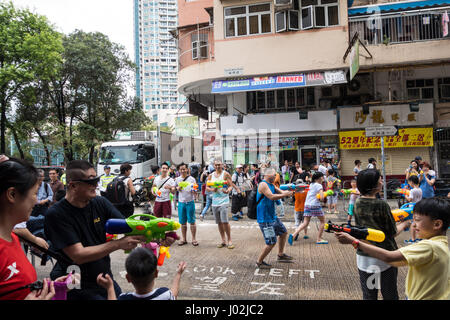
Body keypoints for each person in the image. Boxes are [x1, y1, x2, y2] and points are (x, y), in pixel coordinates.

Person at [44, 160, 164, 300]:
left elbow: (130, 228)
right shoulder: (57, 214)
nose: (96, 184)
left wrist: (160, 235)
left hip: (104, 278)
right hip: (75, 282)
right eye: (91, 181)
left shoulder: (99, 203)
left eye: (97, 179)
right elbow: (78, 255)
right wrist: (118, 244)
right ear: (73, 185)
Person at [335, 198, 450, 300]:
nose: (413, 224)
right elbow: (397, 261)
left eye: (417, 220)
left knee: (372, 292)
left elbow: (389, 257)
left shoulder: (428, 247)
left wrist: (354, 242)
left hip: (421, 296)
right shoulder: (442, 245)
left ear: (437, 224)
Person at [0, 157, 67, 300]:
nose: (36, 201)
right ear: (12, 195)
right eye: (35, 193)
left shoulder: (14, 239)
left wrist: (49, 288)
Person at [348, 169, 410, 300]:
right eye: (380, 180)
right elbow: (392, 233)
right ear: (374, 186)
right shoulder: (381, 205)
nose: (382, 182)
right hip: (384, 258)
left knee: (370, 295)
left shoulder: (358, 203)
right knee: (389, 294)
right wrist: (405, 224)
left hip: (365, 257)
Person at [97, 247, 187, 300]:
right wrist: (178, 274)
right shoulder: (164, 294)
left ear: (128, 278)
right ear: (156, 273)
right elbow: (174, 294)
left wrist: (110, 288)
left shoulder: (124, 298)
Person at [255, 167, 294, 269]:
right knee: (271, 242)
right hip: (265, 219)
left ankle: (280, 255)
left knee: (283, 233)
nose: (276, 177)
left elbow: (281, 192)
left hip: (272, 217)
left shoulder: (271, 184)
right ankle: (259, 261)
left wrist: (291, 192)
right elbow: (271, 196)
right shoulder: (263, 184)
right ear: (268, 175)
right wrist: (287, 194)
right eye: (274, 175)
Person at [288, 172, 329, 245]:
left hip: (307, 204)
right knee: (322, 221)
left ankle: (294, 235)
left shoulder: (311, 184)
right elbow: (322, 198)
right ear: (319, 178)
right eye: (322, 177)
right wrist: (323, 196)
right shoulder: (319, 185)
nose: (323, 178)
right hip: (315, 205)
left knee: (305, 222)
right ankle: (319, 239)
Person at [206, 159, 234, 249]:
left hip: (224, 201)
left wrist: (227, 191)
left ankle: (229, 240)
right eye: (216, 165)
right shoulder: (210, 175)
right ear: (214, 166)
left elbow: (231, 185)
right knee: (219, 223)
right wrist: (212, 190)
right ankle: (223, 240)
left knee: (225, 222)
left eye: (219, 165)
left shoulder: (225, 174)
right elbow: (207, 187)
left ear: (222, 165)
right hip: (215, 202)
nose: (218, 166)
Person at [175, 163, 198, 246]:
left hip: (190, 202)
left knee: (192, 221)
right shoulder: (177, 179)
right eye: (181, 169)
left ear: (187, 169)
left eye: (184, 169)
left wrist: (194, 192)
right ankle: (184, 239)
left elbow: (195, 190)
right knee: (183, 222)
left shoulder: (192, 179)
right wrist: (177, 188)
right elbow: (174, 189)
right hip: (181, 203)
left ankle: (194, 239)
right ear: (179, 170)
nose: (183, 171)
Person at [404, 175, 423, 244]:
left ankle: (413, 239)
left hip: (413, 207)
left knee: (413, 223)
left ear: (411, 182)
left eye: (409, 182)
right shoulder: (420, 189)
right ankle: (420, 238)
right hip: (419, 206)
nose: (409, 184)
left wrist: (405, 194)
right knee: (418, 222)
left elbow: (410, 199)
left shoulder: (412, 190)